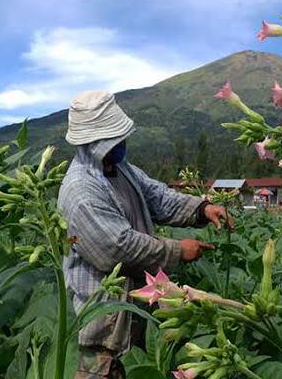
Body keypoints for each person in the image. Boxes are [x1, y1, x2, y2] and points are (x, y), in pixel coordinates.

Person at [58, 91, 232, 378]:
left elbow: (157, 197)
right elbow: (117, 248)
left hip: (135, 308)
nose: (122, 143)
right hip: (105, 326)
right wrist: (177, 250)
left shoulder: (119, 168)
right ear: (95, 144)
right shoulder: (81, 190)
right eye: (116, 139)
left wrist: (202, 209)